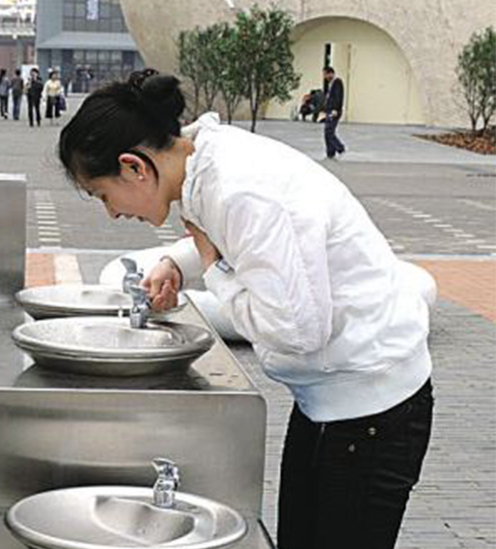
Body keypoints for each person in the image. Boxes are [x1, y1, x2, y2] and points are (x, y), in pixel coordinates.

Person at [58, 69, 435, 549]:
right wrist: (179, 259)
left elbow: (298, 331)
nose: (111, 213)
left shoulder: (241, 189)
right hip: (333, 403)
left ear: (134, 167)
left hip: (375, 411)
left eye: (102, 195)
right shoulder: (201, 164)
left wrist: (214, 272)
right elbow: (243, 240)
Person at [322, 66, 346, 159]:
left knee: (329, 131)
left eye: (325, 74)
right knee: (327, 132)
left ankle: (340, 148)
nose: (324, 77)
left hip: (334, 111)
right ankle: (330, 153)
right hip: (329, 110)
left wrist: (335, 109)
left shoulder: (337, 82)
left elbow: (338, 97)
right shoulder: (330, 84)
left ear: (330, 73)